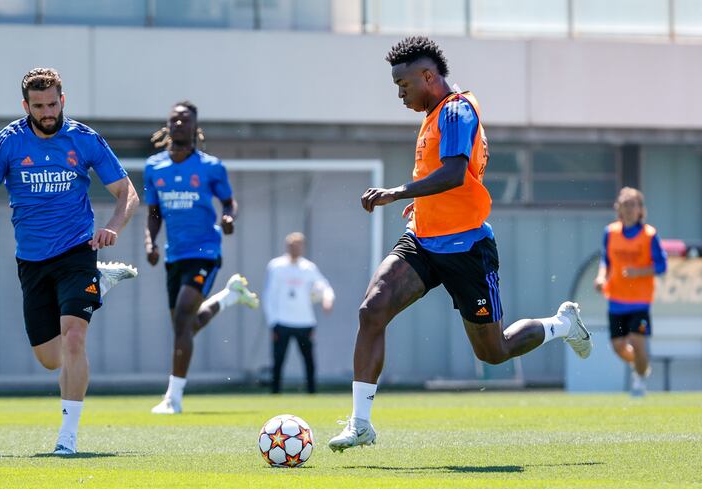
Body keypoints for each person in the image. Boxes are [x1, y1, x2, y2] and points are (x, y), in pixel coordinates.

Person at [328, 36, 593, 452]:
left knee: (494, 350)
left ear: (427, 76)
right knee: (372, 309)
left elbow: (453, 174)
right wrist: (418, 204)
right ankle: (361, 424)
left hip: (467, 248)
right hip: (423, 241)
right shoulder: (434, 113)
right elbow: (440, 178)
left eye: (403, 85)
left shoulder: (455, 110)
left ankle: (561, 325)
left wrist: (397, 192)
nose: (399, 94)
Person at [0, 68, 139, 455]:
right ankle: (102, 282)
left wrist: (113, 225)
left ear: (63, 100)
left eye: (52, 104)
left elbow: (126, 192)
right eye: (38, 105)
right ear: (25, 105)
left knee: (75, 338)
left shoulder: (84, 139)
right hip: (31, 261)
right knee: (50, 359)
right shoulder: (8, 142)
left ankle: (68, 437)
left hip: (78, 251)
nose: (47, 112)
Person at [144, 101, 259, 415]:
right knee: (185, 326)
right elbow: (153, 212)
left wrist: (229, 218)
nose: (179, 124)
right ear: (167, 126)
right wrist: (150, 242)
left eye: (185, 120)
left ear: (195, 127)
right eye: (174, 120)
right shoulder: (154, 166)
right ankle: (228, 298)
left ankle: (173, 398)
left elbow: (228, 202)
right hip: (174, 255)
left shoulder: (210, 166)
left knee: (182, 319)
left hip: (205, 252)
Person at [594, 187, 666, 397]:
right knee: (618, 347)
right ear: (618, 208)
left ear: (640, 209)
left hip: (639, 302)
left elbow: (662, 266)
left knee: (637, 341)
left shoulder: (649, 235)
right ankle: (640, 365)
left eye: (633, 204)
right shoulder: (610, 232)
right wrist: (600, 277)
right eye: (625, 204)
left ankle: (640, 379)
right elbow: (605, 260)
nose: (628, 209)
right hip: (615, 300)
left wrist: (639, 271)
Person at [263, 232, 335, 394]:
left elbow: (324, 286)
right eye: (292, 245)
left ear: (303, 247)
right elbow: (269, 295)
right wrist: (272, 322)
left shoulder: (308, 268)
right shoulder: (276, 266)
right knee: (278, 360)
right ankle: (275, 393)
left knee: (309, 360)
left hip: (305, 321)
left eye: (298, 245)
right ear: (287, 247)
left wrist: (327, 299)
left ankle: (311, 392)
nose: (295, 249)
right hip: (281, 322)